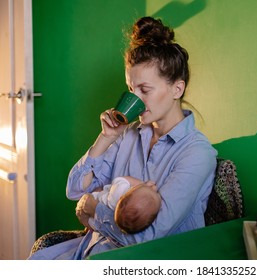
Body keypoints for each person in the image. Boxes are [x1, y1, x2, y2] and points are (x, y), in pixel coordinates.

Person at [28, 16, 217, 260]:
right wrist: (105, 138)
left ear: (176, 89)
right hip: (94, 249)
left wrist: (94, 209)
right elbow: (75, 190)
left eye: (144, 90)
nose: (136, 99)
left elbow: (147, 237)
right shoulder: (128, 134)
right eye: (130, 89)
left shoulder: (197, 154)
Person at [87, 176, 161, 234]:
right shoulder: (120, 200)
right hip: (94, 221)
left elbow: (121, 179)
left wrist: (143, 184)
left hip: (92, 203)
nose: (154, 188)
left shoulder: (119, 190)